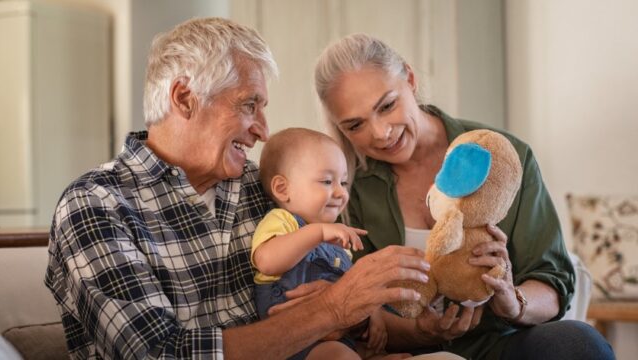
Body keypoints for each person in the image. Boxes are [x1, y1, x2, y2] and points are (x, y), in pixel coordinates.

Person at [44, 19, 432, 359]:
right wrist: (330, 310)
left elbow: (330, 298)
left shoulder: (265, 185)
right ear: (184, 98)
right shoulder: (96, 205)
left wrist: (356, 324)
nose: (263, 131)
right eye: (249, 106)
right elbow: (158, 355)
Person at [312, 33, 616, 360]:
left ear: (410, 79)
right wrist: (419, 331)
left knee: (581, 344)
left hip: (500, 344)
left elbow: (553, 282)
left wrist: (513, 301)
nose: (380, 133)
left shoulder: (502, 157)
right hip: (412, 353)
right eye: (355, 125)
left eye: (387, 106)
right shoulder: (346, 188)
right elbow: (357, 308)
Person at [253, 128, 410, 360]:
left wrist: (372, 312)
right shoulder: (282, 221)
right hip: (295, 342)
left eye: (344, 182)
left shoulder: (336, 242)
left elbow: (351, 290)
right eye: (327, 181)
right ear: (282, 189)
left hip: (338, 336)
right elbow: (267, 262)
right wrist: (318, 232)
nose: (340, 192)